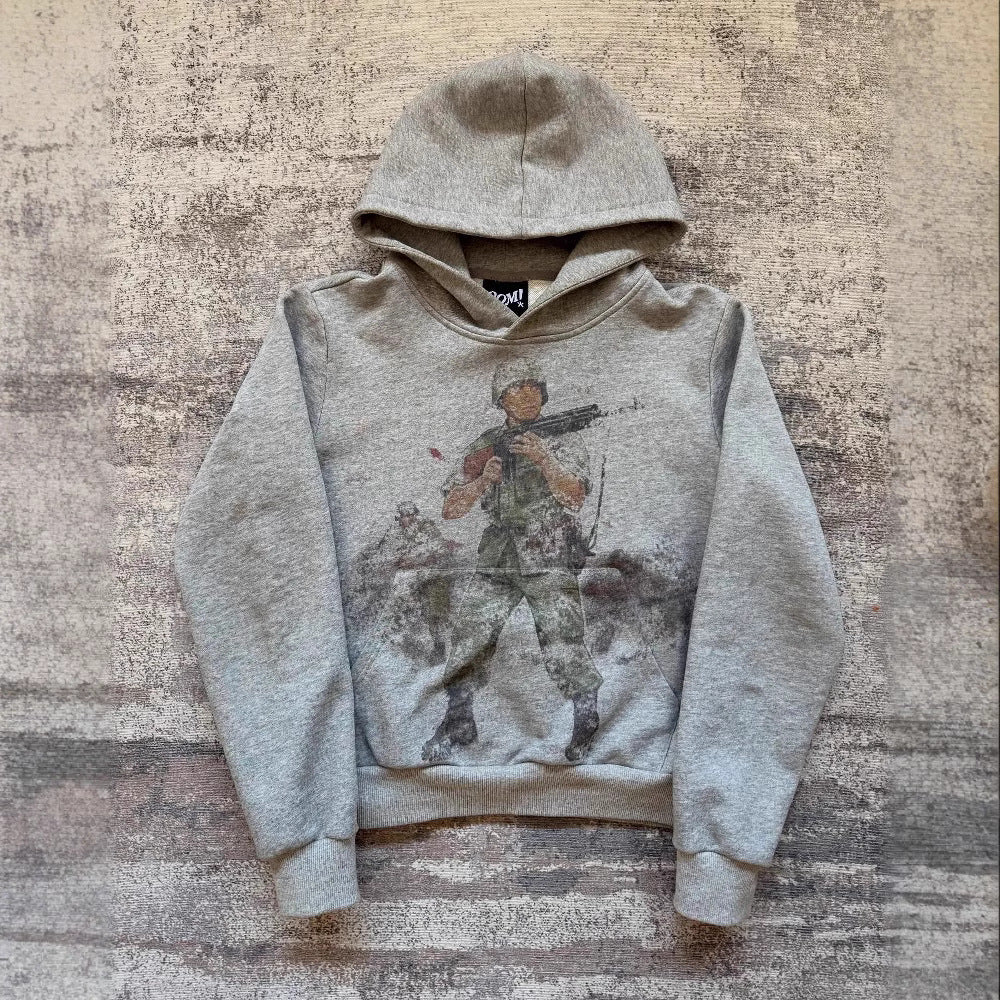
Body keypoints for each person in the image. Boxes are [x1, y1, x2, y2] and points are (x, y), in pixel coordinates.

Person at [422, 357, 604, 764]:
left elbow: (574, 498)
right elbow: (451, 509)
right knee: (471, 633)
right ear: (500, 398)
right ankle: (459, 718)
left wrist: (544, 459)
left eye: (535, 387)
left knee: (562, 637)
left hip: (547, 548)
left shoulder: (562, 438)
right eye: (517, 388)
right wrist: (483, 480)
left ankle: (586, 716)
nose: (528, 394)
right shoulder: (485, 445)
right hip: (498, 553)